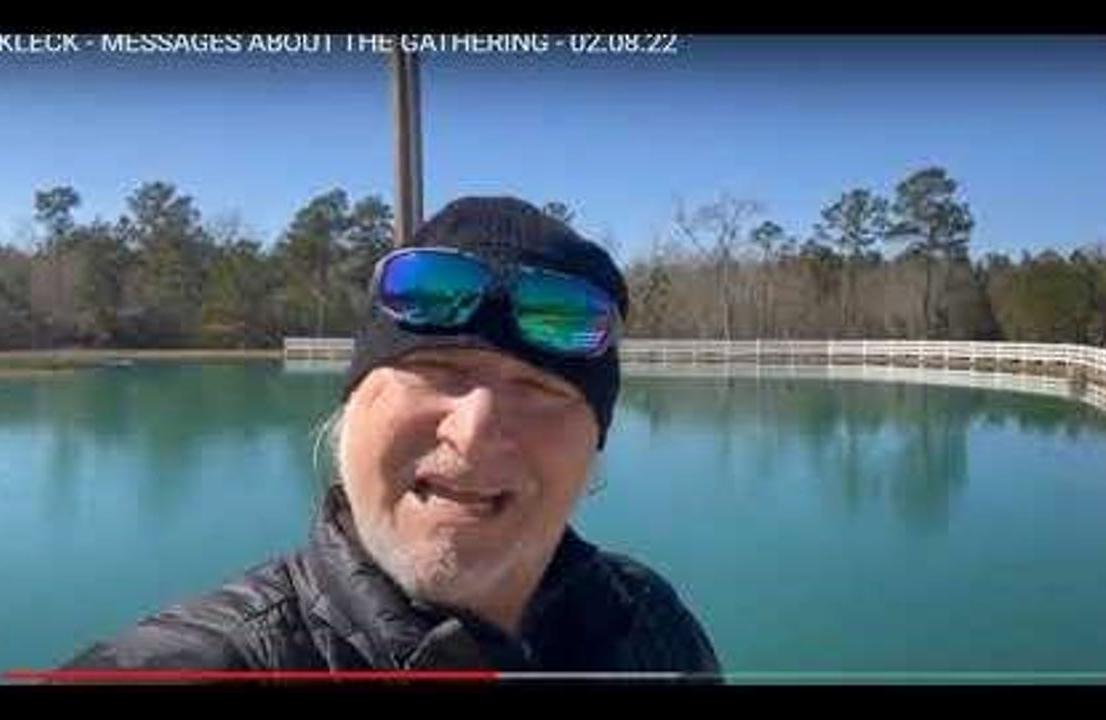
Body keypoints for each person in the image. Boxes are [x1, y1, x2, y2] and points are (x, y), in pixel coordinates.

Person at [63, 197, 721, 676]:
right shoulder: (206, 661)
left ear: (594, 444)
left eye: (539, 388)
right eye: (434, 371)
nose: (474, 433)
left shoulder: (647, 624)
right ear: (351, 407)